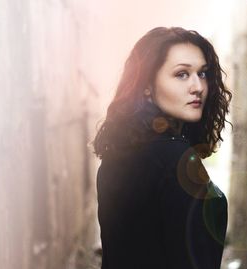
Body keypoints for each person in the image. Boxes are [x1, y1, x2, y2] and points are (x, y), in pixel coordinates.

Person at [92, 26, 232, 269]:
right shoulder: (175, 158)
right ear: (147, 85)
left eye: (203, 73)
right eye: (181, 74)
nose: (198, 86)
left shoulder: (118, 154)